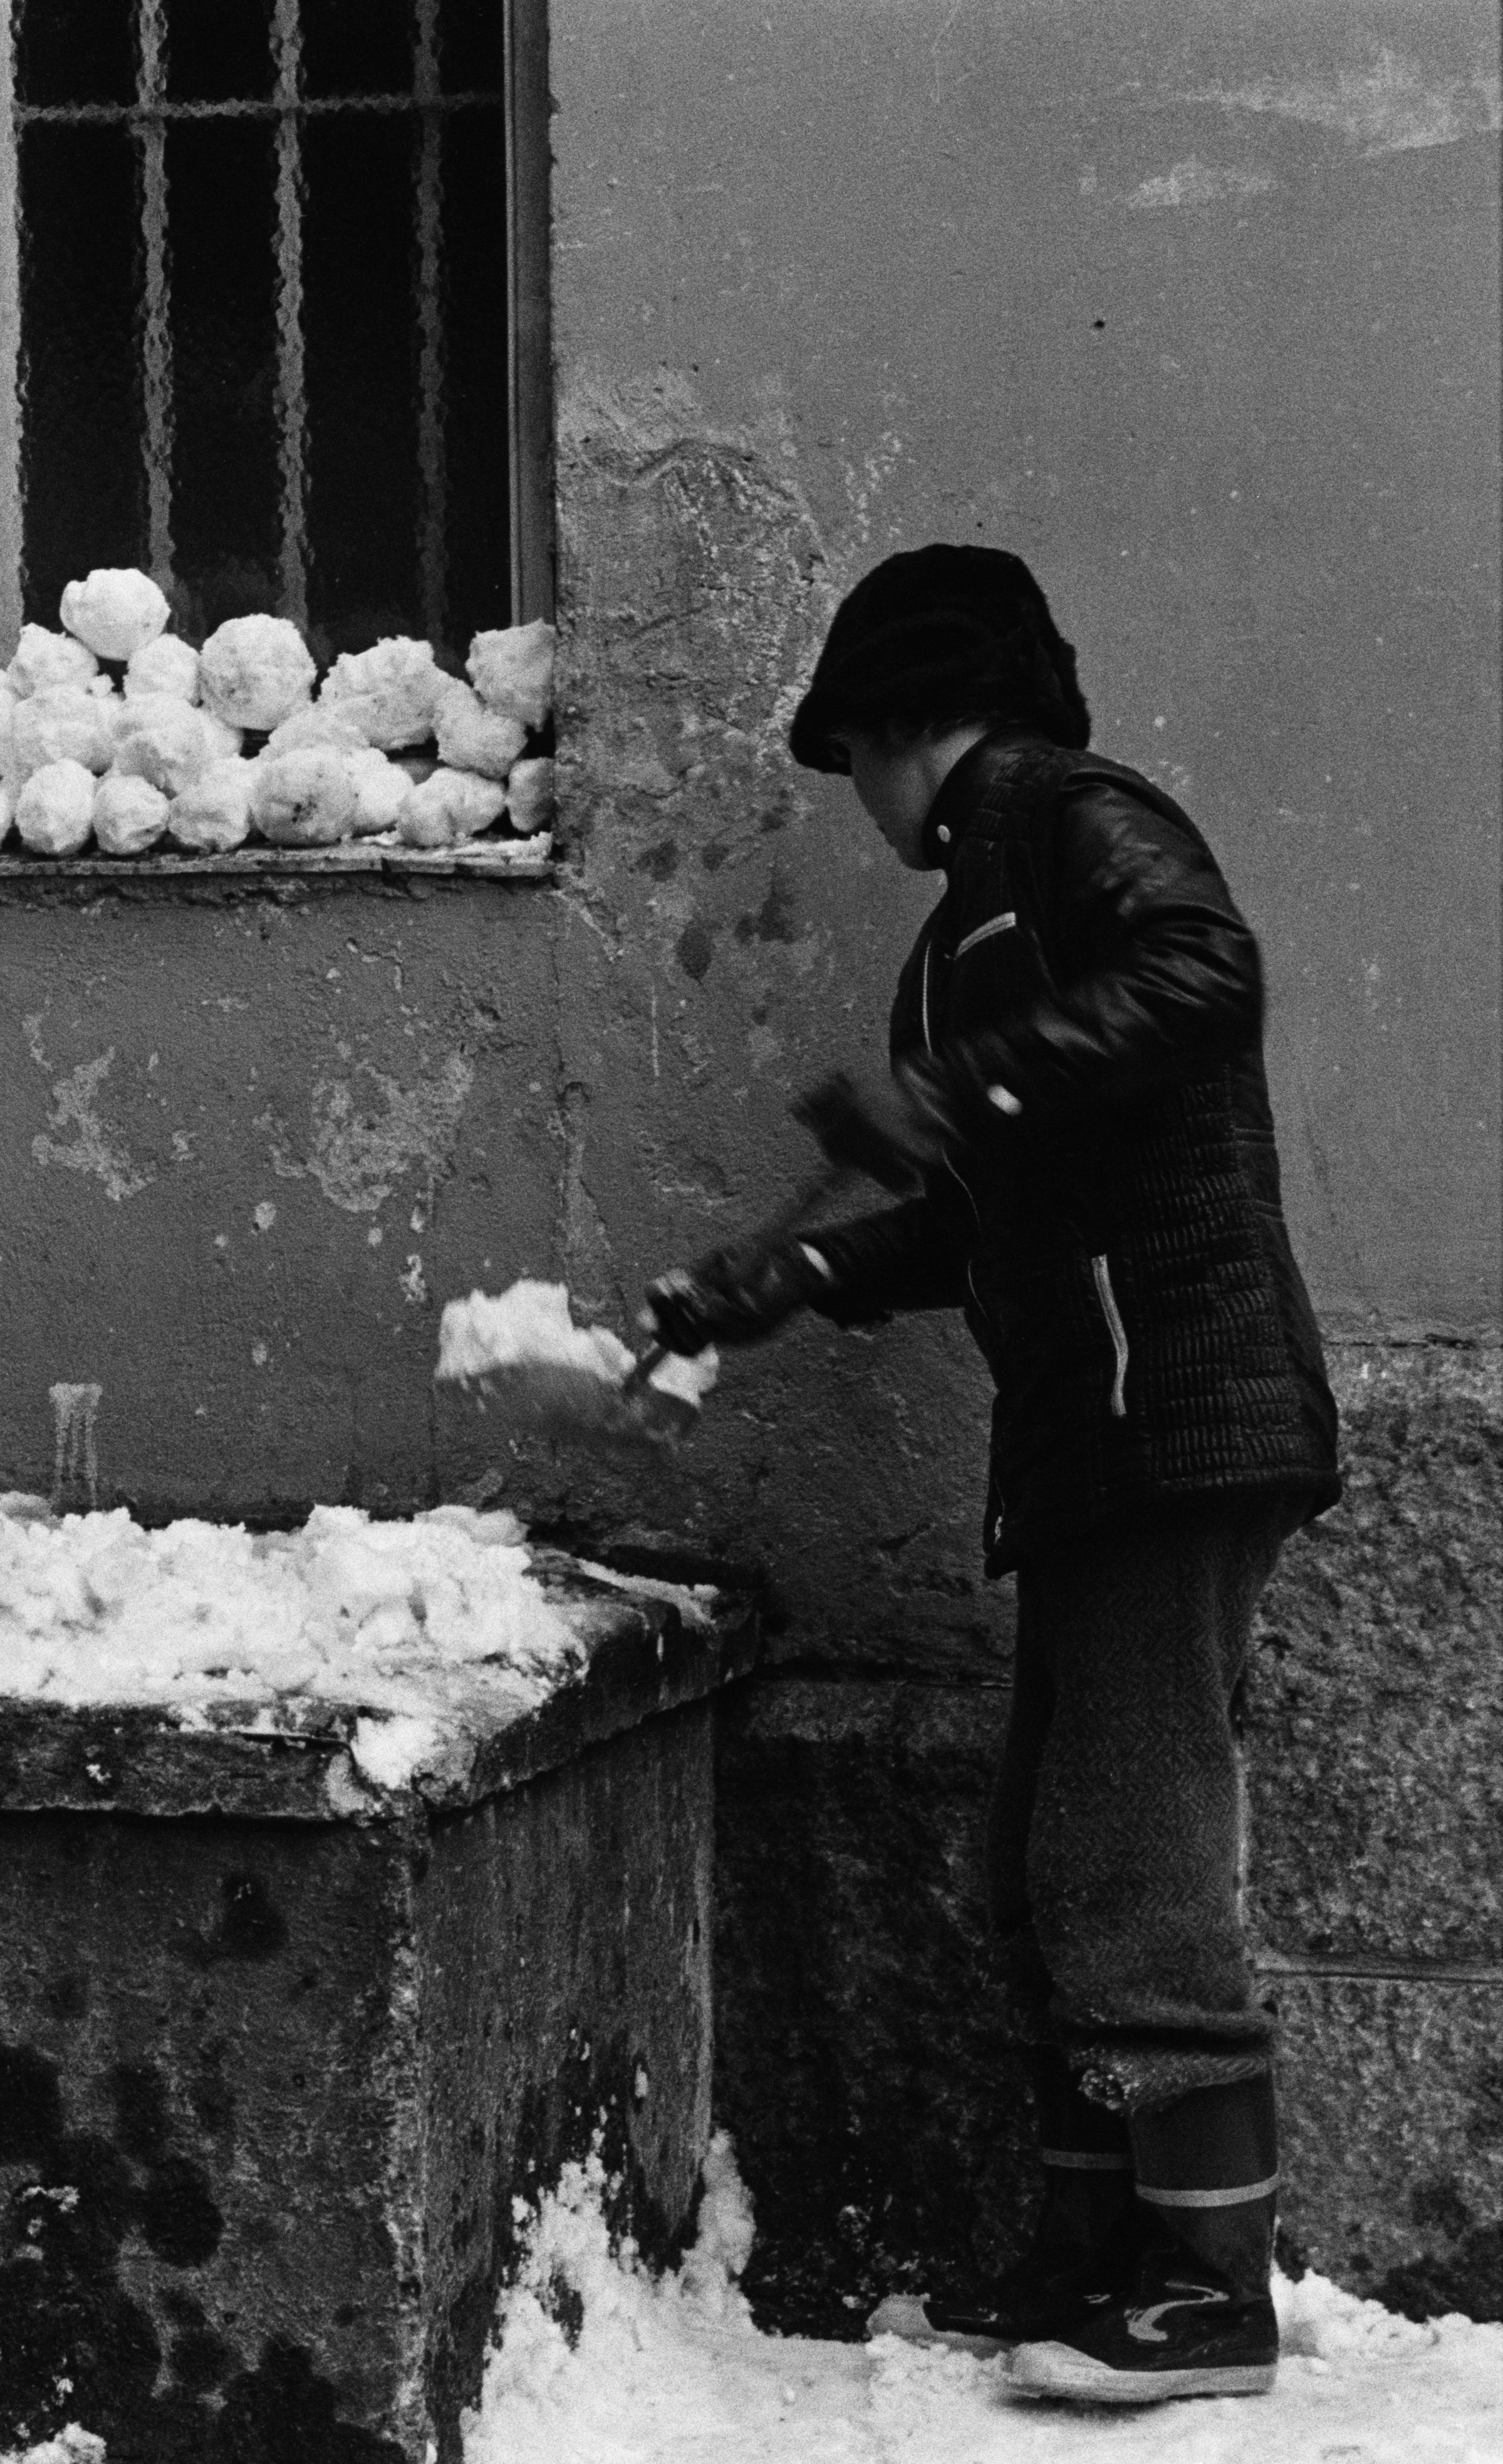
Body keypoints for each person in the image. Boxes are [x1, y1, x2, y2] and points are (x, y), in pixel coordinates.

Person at [644, 544, 1338, 2407]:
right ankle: (1095, 2245)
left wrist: (958, 1091)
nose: (852, 803)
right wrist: (784, 1275)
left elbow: (1204, 973)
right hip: (1098, 1428)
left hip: (1169, 1408)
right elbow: (969, 1220)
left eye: (844, 757)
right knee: (1041, 1861)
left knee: (1124, 1850)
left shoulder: (1066, 818)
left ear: (890, 730)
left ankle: (1205, 2282)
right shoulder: (968, 926)